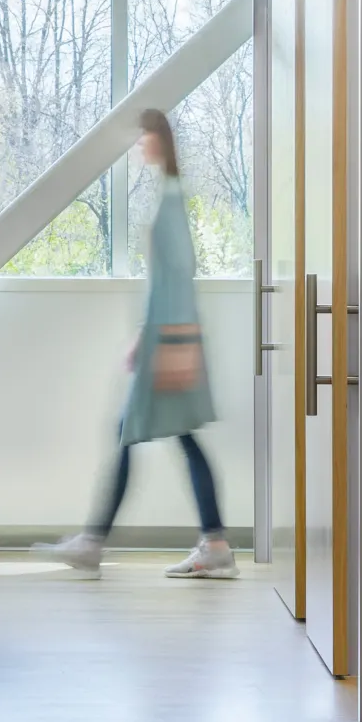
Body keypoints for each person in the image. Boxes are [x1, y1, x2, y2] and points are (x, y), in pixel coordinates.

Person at [36, 109, 237, 580]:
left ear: (160, 141)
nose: (139, 146)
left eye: (145, 137)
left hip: (172, 346)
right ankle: (212, 542)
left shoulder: (170, 202)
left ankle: (96, 542)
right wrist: (147, 336)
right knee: (166, 437)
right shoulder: (168, 197)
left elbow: (178, 279)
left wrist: (174, 345)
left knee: (137, 434)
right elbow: (165, 283)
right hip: (165, 341)